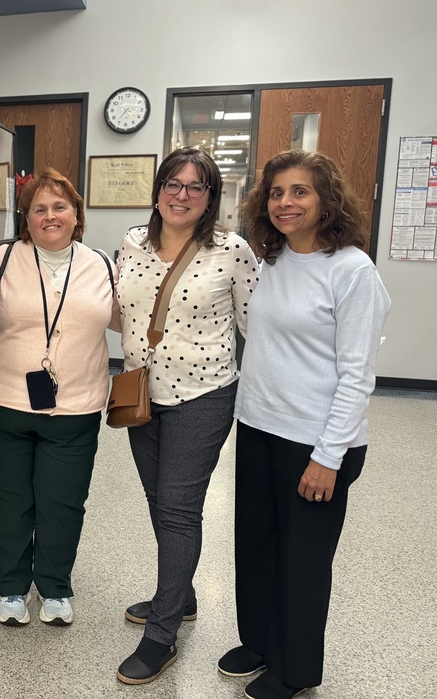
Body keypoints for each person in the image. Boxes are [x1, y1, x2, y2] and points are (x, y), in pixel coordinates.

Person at [219, 150, 390, 699]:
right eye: (276, 193)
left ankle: (296, 669)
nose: (285, 203)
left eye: (300, 192)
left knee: (303, 559)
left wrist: (328, 456)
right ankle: (262, 642)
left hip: (316, 441)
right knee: (257, 543)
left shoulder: (353, 271)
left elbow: (357, 375)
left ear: (326, 200)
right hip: (260, 427)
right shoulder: (274, 259)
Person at [114, 147, 259, 685]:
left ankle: (162, 633)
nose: (181, 195)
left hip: (204, 396)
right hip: (140, 392)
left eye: (195, 187)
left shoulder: (232, 251)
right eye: (173, 183)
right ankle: (183, 593)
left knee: (178, 510)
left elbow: (255, 328)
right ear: (158, 189)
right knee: (158, 500)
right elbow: (117, 310)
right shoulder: (131, 242)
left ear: (209, 198)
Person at [0, 167, 119, 628]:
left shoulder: (101, 264)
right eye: (40, 208)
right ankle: (12, 586)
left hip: (76, 408)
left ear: (77, 215)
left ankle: (55, 586)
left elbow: (127, 322)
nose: (50, 216)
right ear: (26, 217)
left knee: (62, 502)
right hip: (1, 404)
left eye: (60, 207)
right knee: (9, 499)